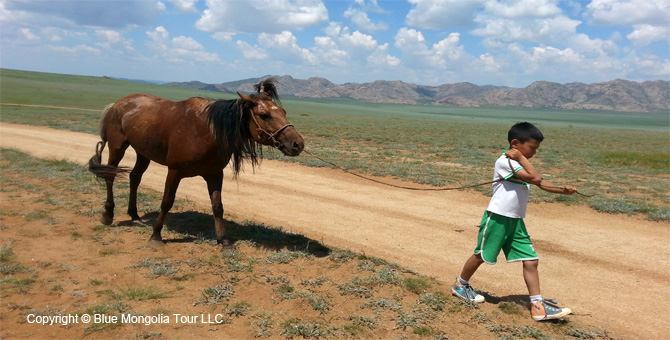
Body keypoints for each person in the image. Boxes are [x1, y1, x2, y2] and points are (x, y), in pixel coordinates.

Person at [452, 122, 576, 321]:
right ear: (516, 143)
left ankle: (538, 306)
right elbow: (535, 178)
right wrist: (519, 157)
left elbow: (541, 183)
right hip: (498, 218)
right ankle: (460, 285)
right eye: (532, 148)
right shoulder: (505, 161)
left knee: (531, 260)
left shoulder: (518, 162)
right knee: (481, 255)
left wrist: (563, 191)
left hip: (516, 221)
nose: (534, 153)